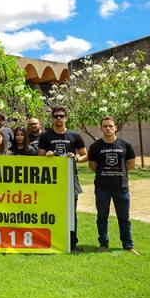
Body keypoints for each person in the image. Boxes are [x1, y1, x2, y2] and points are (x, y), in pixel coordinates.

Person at [38, 106, 87, 252]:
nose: (58, 119)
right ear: (52, 119)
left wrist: (76, 158)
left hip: (70, 179)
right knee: (51, 210)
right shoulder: (46, 136)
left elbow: (85, 155)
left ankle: (72, 242)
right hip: (52, 180)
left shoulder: (75, 136)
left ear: (66, 118)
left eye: (61, 116)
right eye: (56, 116)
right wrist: (47, 156)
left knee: (72, 212)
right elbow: (39, 157)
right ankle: (52, 240)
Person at [88, 116, 138, 255]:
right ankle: (103, 244)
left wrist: (118, 173)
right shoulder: (95, 146)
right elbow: (92, 165)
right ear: (101, 128)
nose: (108, 128)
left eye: (110, 126)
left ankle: (128, 245)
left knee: (124, 218)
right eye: (105, 126)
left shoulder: (125, 145)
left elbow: (131, 164)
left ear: (116, 127)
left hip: (121, 188)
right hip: (102, 188)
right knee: (102, 216)